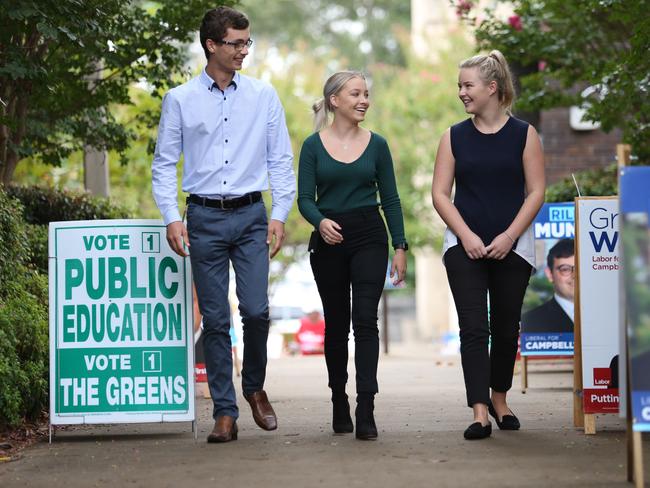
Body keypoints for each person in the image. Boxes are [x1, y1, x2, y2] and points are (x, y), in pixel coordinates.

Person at [152, 6, 295, 443]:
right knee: (215, 320)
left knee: (256, 310)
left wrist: (279, 213)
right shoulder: (179, 99)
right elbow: (163, 166)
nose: (243, 51)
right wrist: (172, 218)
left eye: (246, 42)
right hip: (204, 218)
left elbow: (280, 159)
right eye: (236, 43)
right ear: (212, 45)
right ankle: (225, 412)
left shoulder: (263, 95)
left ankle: (253, 386)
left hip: (252, 216)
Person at [431, 51, 545, 440]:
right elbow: (440, 194)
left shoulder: (525, 134)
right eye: (459, 85)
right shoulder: (453, 136)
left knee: (507, 326)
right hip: (464, 247)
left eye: (468, 85)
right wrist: (466, 236)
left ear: (492, 88)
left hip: (513, 247)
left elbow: (536, 192)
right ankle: (479, 410)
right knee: (474, 328)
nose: (461, 92)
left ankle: (500, 397)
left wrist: (510, 236)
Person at [298, 71, 407, 440]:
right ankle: (338, 399)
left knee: (365, 321)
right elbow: (304, 199)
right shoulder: (313, 146)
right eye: (356, 94)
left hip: (369, 235)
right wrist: (319, 222)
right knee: (336, 325)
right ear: (334, 101)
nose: (364, 100)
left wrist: (400, 246)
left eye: (366, 94)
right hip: (328, 239)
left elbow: (390, 199)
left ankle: (366, 406)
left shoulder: (378, 145)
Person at [521, 238, 575, 333]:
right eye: (565, 269)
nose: (575, 275)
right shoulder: (530, 321)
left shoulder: (606, 315)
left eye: (580, 268)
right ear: (550, 274)